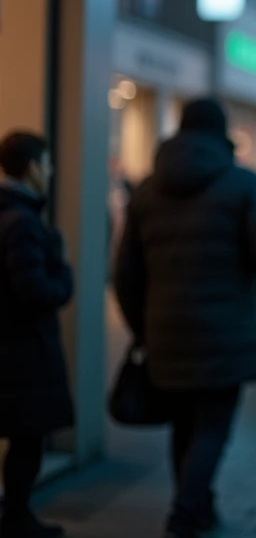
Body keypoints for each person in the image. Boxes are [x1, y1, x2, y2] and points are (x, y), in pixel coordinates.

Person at [114, 99, 256, 538]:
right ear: (222, 133)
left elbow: (125, 272)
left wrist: (142, 326)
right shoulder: (243, 185)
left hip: (164, 330)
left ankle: (199, 504)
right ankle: (185, 515)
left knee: (183, 424)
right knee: (212, 426)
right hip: (226, 330)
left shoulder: (147, 190)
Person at [0, 132, 72, 538]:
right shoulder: (23, 222)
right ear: (31, 168)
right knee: (27, 441)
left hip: (11, 348)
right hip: (22, 352)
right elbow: (36, 293)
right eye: (47, 164)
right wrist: (64, 273)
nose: (51, 171)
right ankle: (16, 518)